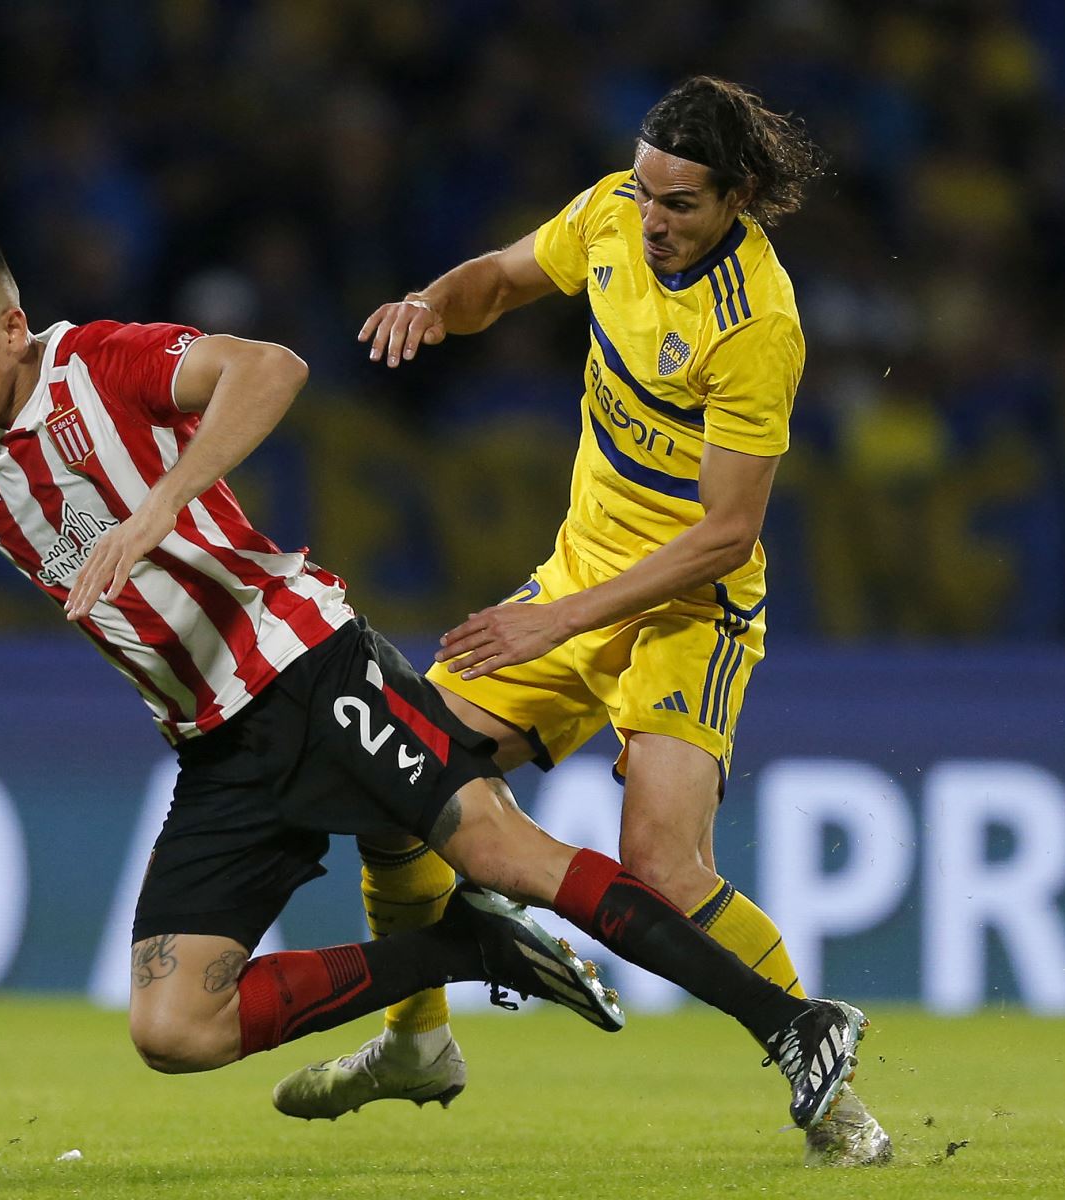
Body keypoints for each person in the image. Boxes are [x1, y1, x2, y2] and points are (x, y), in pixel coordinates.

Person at [0, 226, 869, 1137]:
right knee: (173, 1029)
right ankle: (465, 953)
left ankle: (791, 1022)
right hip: (214, 743)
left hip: (306, 663)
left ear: (13, 326)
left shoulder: (100, 365)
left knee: (506, 851)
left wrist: (161, 504)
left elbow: (271, 368)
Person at [270, 77, 893, 1167]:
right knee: (398, 780)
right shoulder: (610, 211)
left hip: (687, 611)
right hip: (575, 580)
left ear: (738, 197)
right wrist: (432, 299)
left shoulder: (757, 327)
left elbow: (727, 534)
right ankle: (417, 1047)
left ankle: (831, 1095)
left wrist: (554, 620)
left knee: (660, 861)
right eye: (647, 193)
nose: (653, 220)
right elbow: (503, 283)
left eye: (681, 205)